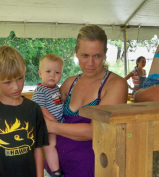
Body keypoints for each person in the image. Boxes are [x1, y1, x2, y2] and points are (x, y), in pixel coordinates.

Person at [44, 25, 128, 177]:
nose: (90, 63)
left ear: (105, 54)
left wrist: (51, 126)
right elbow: (46, 105)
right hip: (55, 166)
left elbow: (94, 130)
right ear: (76, 53)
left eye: (97, 56)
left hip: (91, 168)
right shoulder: (70, 83)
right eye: (84, 55)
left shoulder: (116, 84)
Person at [0, 45, 49, 177]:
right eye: (7, 82)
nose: (16, 86)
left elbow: (37, 149)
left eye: (20, 78)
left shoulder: (33, 108)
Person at [32, 54, 64, 177]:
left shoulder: (55, 88)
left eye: (57, 72)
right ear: (40, 74)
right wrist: (53, 120)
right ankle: (55, 171)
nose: (52, 75)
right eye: (48, 71)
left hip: (58, 122)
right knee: (50, 145)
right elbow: (40, 108)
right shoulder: (41, 90)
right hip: (48, 124)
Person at [134, 25, 159, 102]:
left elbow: (157, 96)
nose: (144, 63)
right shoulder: (134, 71)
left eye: (144, 61)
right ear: (137, 63)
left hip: (153, 87)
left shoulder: (144, 71)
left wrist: (137, 94)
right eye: (142, 61)